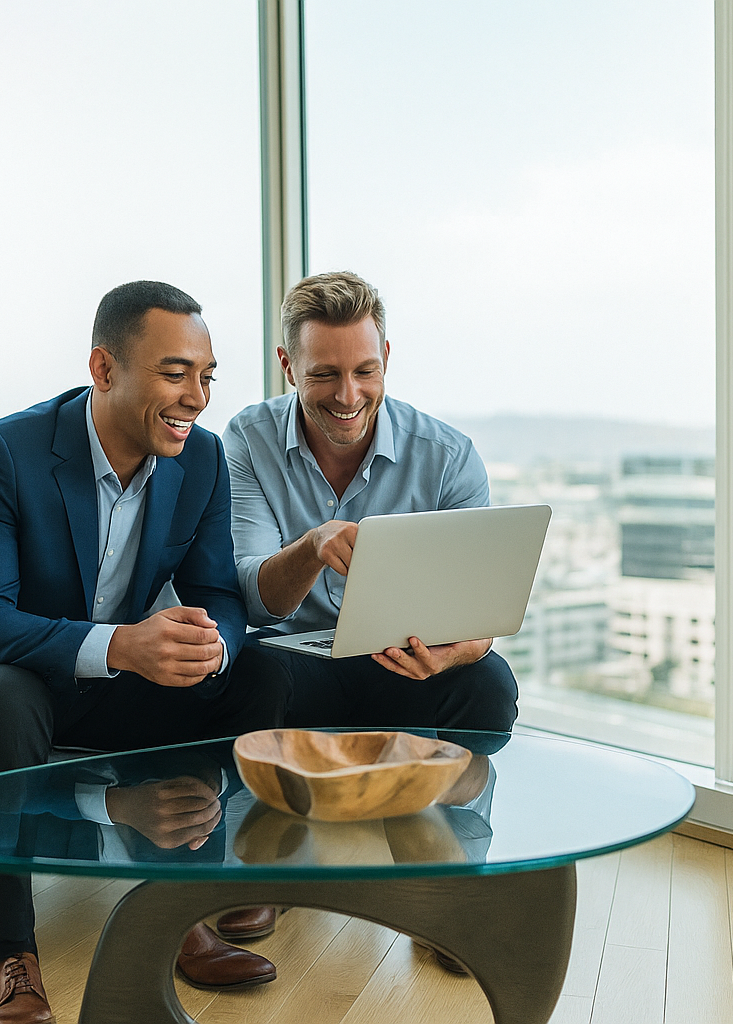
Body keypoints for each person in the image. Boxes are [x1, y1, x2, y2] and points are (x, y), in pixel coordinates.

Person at [0, 281, 288, 1024]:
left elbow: (219, 594)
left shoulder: (200, 459)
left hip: (106, 671)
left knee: (258, 671)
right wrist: (124, 646)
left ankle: (179, 906)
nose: (197, 397)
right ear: (104, 370)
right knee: (8, 696)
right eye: (176, 373)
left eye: (207, 376)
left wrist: (214, 648)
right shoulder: (1, 451)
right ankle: (12, 952)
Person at [216, 271, 520, 956]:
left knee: (489, 684)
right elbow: (253, 595)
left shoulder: (446, 456)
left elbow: (480, 612)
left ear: (387, 359)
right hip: (295, 661)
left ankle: (449, 878)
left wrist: (458, 651)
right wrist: (314, 545)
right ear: (288, 365)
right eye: (323, 374)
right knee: (251, 676)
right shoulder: (247, 440)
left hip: (400, 658)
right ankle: (252, 873)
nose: (347, 396)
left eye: (365, 370)